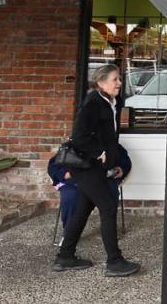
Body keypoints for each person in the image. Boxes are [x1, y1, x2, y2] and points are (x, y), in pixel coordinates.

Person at [53, 64, 141, 276]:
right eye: (115, 79)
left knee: (82, 209)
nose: (119, 83)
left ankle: (65, 257)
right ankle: (114, 262)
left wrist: (112, 160)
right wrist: (98, 152)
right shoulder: (93, 102)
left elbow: (109, 136)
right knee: (108, 206)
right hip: (87, 166)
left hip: (98, 167)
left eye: (119, 79)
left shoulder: (113, 102)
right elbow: (79, 136)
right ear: (101, 83)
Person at [48, 144, 132, 238]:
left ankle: (109, 233)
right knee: (70, 195)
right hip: (76, 181)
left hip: (103, 180)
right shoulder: (72, 144)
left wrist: (121, 169)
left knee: (110, 194)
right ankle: (69, 234)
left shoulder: (110, 144)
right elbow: (53, 165)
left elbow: (125, 161)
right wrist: (65, 174)